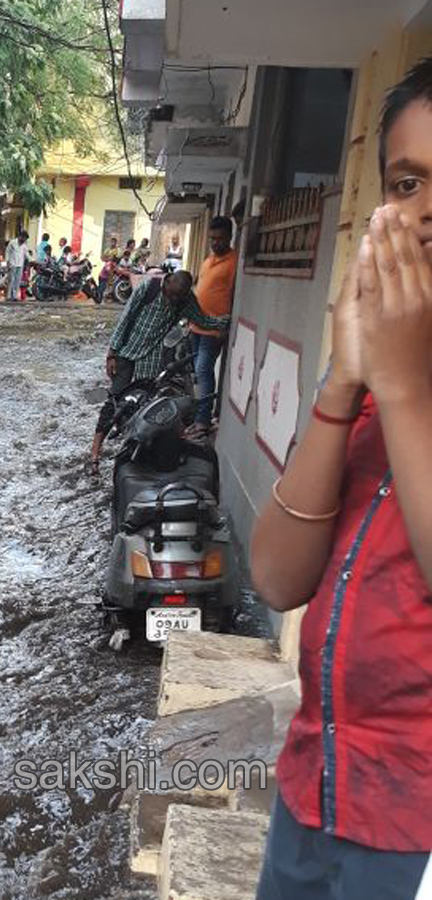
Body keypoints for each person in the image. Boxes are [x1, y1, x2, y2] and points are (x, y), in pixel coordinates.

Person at [251, 57, 432, 900]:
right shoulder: (368, 397)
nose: (425, 212)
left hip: (409, 837)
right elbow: (278, 578)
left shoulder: (404, 388)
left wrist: (399, 386)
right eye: (408, 182)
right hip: (313, 790)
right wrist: (344, 381)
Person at [90, 270, 228, 472]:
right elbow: (125, 319)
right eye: (170, 294)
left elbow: (202, 320)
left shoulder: (186, 301)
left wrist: (224, 322)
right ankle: (95, 451)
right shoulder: (149, 288)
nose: (172, 300)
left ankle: (136, 448)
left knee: (146, 402)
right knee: (115, 400)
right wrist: (111, 354)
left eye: (177, 297)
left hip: (152, 355)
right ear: (166, 282)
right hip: (126, 351)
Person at [186, 216, 237, 440]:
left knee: (204, 371)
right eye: (212, 239)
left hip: (214, 329)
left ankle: (202, 421)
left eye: (220, 239)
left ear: (230, 237)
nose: (215, 243)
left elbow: (235, 295)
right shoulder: (208, 261)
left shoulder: (235, 262)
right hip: (196, 326)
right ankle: (200, 416)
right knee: (198, 373)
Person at [5, 231, 29, 302]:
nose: (24, 240)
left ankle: (15, 296)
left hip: (20, 264)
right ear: (20, 236)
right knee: (11, 280)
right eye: (24, 238)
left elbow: (27, 255)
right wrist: (8, 262)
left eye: (25, 239)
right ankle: (9, 296)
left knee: (17, 281)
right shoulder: (12, 243)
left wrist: (33, 260)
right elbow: (7, 252)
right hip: (12, 263)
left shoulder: (24, 246)